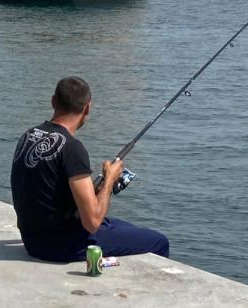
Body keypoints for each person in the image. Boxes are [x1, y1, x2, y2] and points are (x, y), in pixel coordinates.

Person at [11, 76, 169, 261]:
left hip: (33, 241)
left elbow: (48, 192)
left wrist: (97, 189)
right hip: (62, 246)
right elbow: (92, 222)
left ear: (53, 101)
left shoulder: (29, 135)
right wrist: (109, 179)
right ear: (87, 108)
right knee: (159, 241)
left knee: (131, 230)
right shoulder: (72, 148)